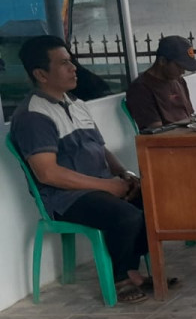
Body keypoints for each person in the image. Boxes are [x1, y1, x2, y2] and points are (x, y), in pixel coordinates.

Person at [10, 36, 150, 304]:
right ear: (40, 74)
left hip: (100, 185)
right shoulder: (33, 116)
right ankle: (121, 278)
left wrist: (124, 174)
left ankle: (134, 271)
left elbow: (100, 147)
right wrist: (109, 187)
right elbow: (48, 174)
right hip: (67, 197)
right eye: (64, 63)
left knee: (151, 201)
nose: (73, 68)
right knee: (126, 215)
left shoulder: (75, 103)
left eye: (71, 61)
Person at [125, 35, 196, 130]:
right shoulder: (140, 88)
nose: (183, 72)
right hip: (169, 140)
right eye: (179, 66)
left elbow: (189, 115)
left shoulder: (179, 80)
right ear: (162, 61)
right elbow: (155, 130)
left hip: (189, 133)